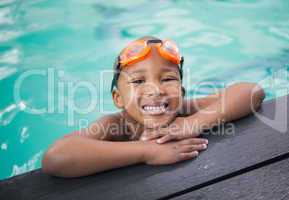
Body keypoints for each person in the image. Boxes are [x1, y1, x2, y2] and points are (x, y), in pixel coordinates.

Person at [42, 36, 265, 177]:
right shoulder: (116, 126)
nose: (156, 90)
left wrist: (194, 123)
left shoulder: (185, 110)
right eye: (138, 82)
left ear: (181, 91)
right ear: (118, 99)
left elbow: (252, 91)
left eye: (167, 79)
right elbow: (56, 157)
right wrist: (146, 152)